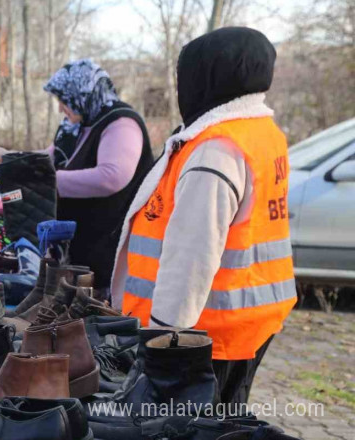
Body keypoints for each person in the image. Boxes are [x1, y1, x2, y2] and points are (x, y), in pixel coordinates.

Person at [110, 27, 296, 407]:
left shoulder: (215, 150)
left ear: (205, 79)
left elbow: (191, 256)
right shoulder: (261, 132)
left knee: (186, 426)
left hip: (201, 334)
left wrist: (163, 340)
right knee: (225, 417)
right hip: (247, 323)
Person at [43, 59, 154, 295]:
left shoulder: (121, 123)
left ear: (83, 94)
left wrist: (50, 181)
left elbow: (111, 177)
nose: (61, 107)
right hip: (83, 245)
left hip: (110, 244)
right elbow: (47, 159)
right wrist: (17, 162)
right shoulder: (77, 126)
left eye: (64, 100)